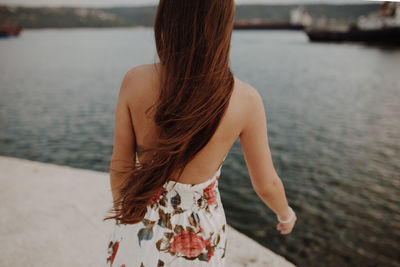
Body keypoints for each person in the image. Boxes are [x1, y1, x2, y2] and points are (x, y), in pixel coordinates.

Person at [103, 0, 297, 266]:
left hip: (139, 222)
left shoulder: (134, 80)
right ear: (223, 24)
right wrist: (285, 215)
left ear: (166, 18)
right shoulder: (246, 99)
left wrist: (127, 218)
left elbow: (120, 166)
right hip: (201, 235)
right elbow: (266, 184)